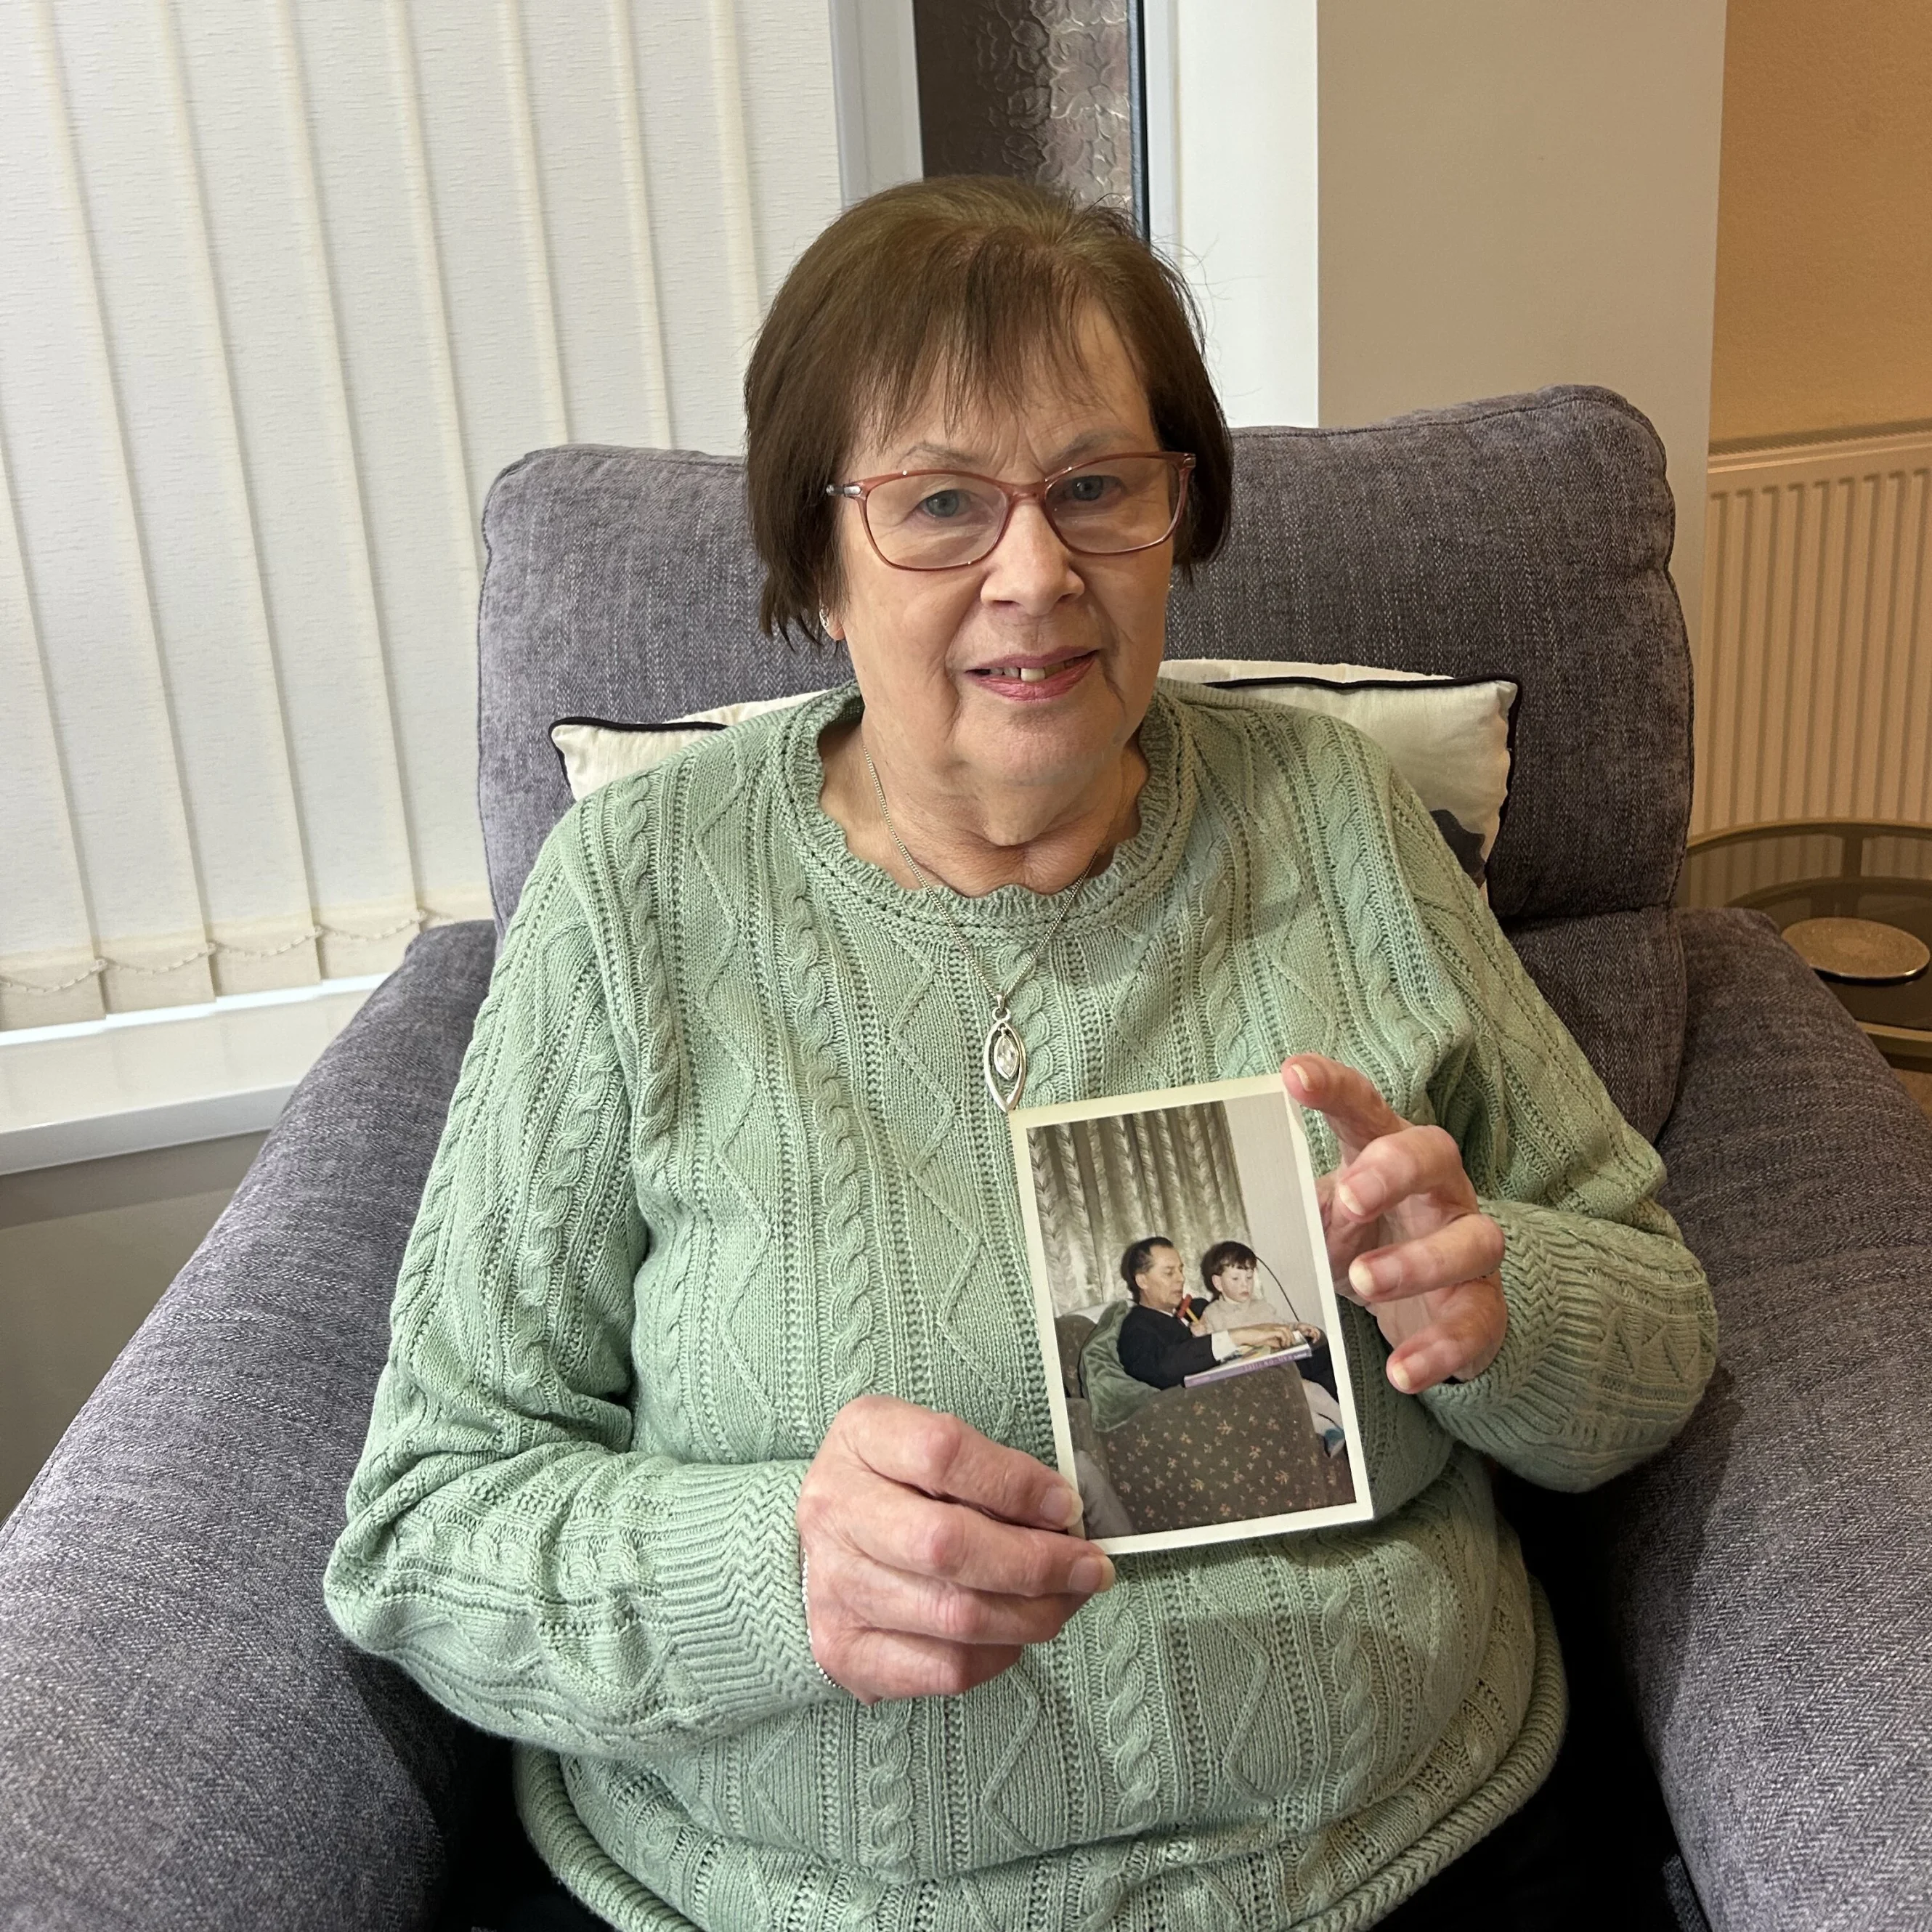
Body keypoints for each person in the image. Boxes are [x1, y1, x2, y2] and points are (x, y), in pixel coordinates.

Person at [323, 176, 1716, 1931]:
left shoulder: (1341, 829)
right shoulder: (637, 900)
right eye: (941, 507)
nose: (1038, 572)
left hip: (1385, 1850)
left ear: (1175, 518)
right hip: (778, 1892)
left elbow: (1660, 1335)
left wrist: (1502, 1306)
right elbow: (425, 1525)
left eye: (1096, 490)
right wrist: (769, 1573)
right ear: (815, 566)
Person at [1196, 1238, 1349, 1452]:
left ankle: (1346, 1424)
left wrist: (1299, 1328)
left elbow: (1283, 1325)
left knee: (1309, 1390)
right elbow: (1208, 1349)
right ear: (1218, 1283)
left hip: (1280, 1371)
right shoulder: (1212, 1314)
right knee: (1290, 1406)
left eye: (1249, 1277)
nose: (1245, 1284)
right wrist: (1199, 1334)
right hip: (1246, 1382)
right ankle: (1328, 1430)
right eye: (1236, 1278)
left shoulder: (1262, 1307)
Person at [1116, 1235, 1297, 1388]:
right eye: (1169, 1273)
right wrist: (1237, 1336)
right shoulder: (1137, 1327)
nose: (1181, 1278)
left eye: (1181, 1270)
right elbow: (1160, 1368)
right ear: (1143, 1281)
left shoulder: (1200, 1307)